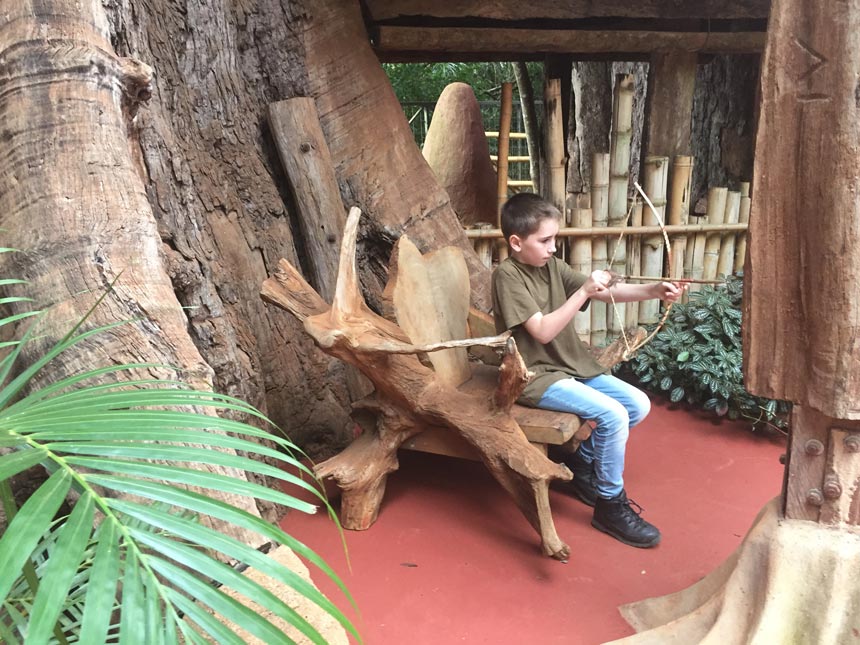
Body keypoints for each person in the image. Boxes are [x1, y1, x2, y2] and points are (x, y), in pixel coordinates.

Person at [492, 192, 686, 548]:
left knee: (636, 405)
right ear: (516, 242)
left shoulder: (551, 266)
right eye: (545, 240)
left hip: (570, 366)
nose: (553, 248)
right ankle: (610, 505)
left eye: (555, 239)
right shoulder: (508, 276)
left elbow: (604, 291)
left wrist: (655, 291)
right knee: (612, 415)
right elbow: (543, 330)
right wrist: (581, 291)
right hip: (535, 376)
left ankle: (583, 462)